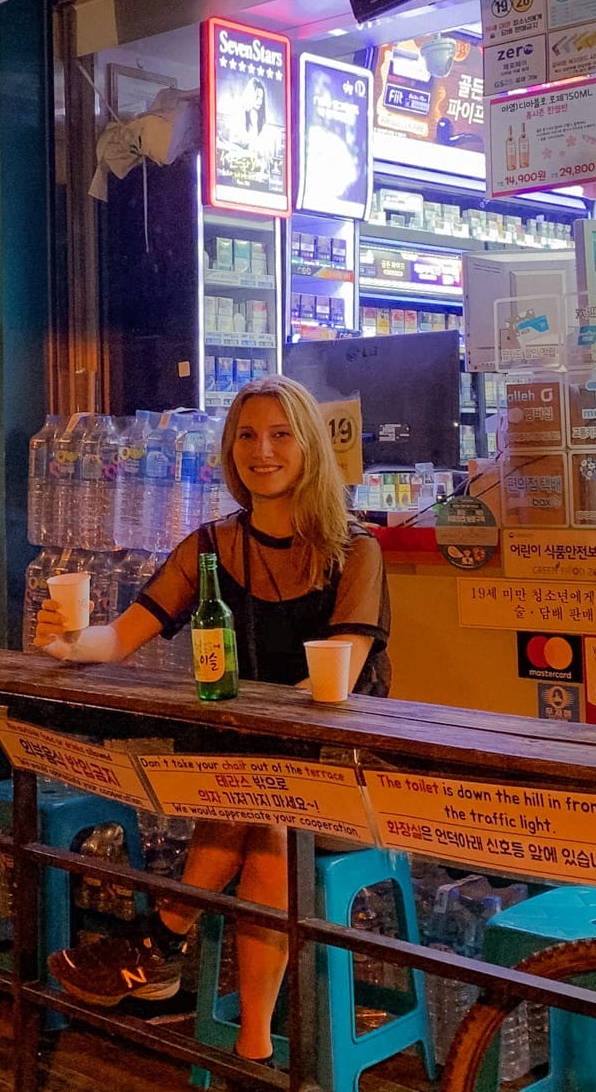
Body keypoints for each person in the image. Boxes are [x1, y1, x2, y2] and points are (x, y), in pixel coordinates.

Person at [33, 374, 391, 1064]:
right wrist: (69, 641)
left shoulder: (356, 550)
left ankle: (162, 942)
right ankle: (250, 1047)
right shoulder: (210, 546)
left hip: (343, 768)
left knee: (265, 814)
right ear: (230, 452)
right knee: (259, 813)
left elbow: (340, 671)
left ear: (310, 446)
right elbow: (120, 637)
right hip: (251, 769)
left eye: (281, 434)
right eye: (248, 436)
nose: (263, 451)